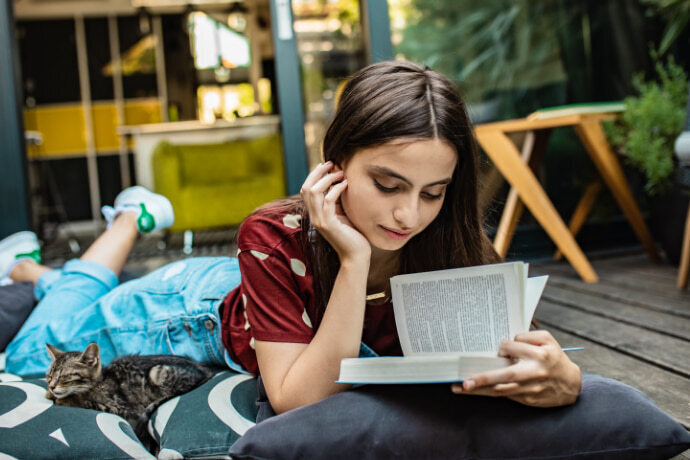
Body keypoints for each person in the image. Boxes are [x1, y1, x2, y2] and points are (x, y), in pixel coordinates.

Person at [2, 61, 581, 413]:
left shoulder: (448, 237)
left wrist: (561, 378)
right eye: (388, 184)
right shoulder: (271, 232)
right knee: (30, 352)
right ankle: (127, 218)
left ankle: (33, 271)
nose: (409, 215)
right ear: (335, 164)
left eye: (433, 192)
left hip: (249, 289)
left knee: (52, 294)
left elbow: (533, 356)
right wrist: (354, 260)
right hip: (174, 310)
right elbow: (299, 396)